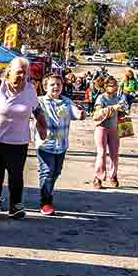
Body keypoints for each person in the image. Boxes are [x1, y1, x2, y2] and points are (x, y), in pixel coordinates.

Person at [0, 57, 44, 219]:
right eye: (19, 72)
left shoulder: (30, 89)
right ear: (9, 72)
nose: (22, 76)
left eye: (25, 73)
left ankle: (16, 206)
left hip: (19, 139)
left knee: (16, 173)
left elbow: (37, 110)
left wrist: (43, 127)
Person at [35, 75, 85, 215]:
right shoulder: (39, 102)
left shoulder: (67, 101)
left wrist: (81, 113)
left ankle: (48, 193)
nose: (55, 87)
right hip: (45, 145)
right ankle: (45, 202)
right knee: (47, 171)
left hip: (61, 145)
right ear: (45, 87)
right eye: (52, 85)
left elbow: (76, 114)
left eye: (58, 84)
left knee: (56, 171)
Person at [91, 76, 126, 189]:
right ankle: (98, 177)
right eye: (111, 85)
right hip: (101, 128)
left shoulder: (118, 98)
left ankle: (113, 175)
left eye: (115, 85)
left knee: (114, 154)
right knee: (101, 153)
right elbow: (98, 113)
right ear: (105, 86)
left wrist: (123, 111)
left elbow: (121, 112)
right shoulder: (101, 98)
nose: (114, 87)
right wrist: (113, 108)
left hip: (114, 129)